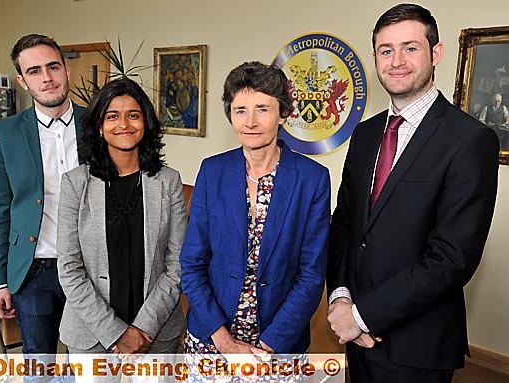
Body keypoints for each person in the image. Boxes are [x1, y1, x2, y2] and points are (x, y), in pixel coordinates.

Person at [326, 4, 499, 383]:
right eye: (386, 50)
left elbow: (451, 259)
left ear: (436, 54)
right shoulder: (366, 133)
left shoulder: (470, 141)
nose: (397, 61)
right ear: (375, 58)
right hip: (355, 336)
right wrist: (340, 296)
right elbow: (345, 224)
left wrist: (360, 316)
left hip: (417, 345)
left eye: (410, 48)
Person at [180, 61, 331, 379]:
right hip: (211, 339)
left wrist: (270, 346)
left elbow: (311, 275)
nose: (250, 122)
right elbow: (192, 265)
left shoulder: (312, 179)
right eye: (240, 110)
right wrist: (224, 342)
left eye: (262, 109)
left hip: (276, 345)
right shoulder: (212, 171)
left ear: (283, 113)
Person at [56, 78, 186, 381]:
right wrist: (116, 333)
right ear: (99, 126)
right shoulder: (76, 183)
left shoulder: (169, 181)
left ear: (146, 123)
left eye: (134, 114)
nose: (123, 124)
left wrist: (143, 327)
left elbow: (177, 263)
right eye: (112, 115)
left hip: (156, 331)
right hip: (91, 333)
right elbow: (69, 268)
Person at [0, 33, 85, 381]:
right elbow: (0, 210)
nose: (47, 77)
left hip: (90, 271)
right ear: (22, 81)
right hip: (34, 271)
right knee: (38, 367)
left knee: (88, 368)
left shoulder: (100, 125)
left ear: (66, 71)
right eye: (35, 71)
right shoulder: (4, 134)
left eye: (53, 66)